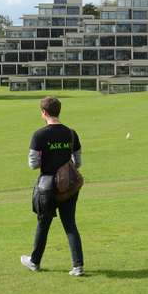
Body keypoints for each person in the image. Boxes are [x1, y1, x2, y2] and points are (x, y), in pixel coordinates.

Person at [21, 96, 85, 276]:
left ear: (44, 113)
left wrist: (49, 161)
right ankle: (78, 266)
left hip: (47, 187)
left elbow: (33, 163)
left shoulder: (39, 135)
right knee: (70, 224)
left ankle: (34, 262)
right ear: (59, 111)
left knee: (43, 224)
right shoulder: (71, 133)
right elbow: (77, 162)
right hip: (68, 187)